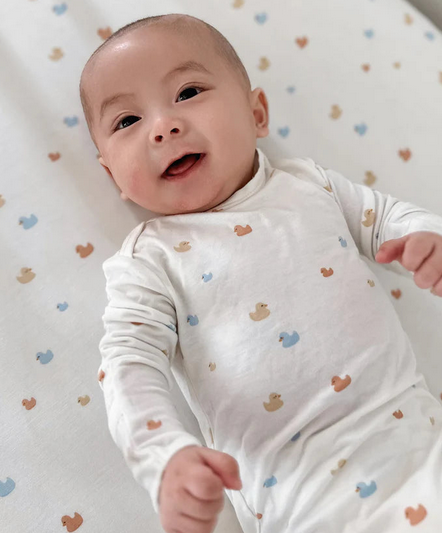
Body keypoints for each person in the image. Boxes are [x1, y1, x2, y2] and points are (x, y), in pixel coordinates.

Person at [79, 13, 442, 533]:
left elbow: (386, 218)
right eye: (127, 121)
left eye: (187, 92)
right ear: (112, 172)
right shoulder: (150, 260)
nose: (163, 126)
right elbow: (128, 364)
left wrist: (427, 238)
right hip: (305, 497)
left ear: (257, 113)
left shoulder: (308, 185)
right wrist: (164, 456)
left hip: (418, 439)